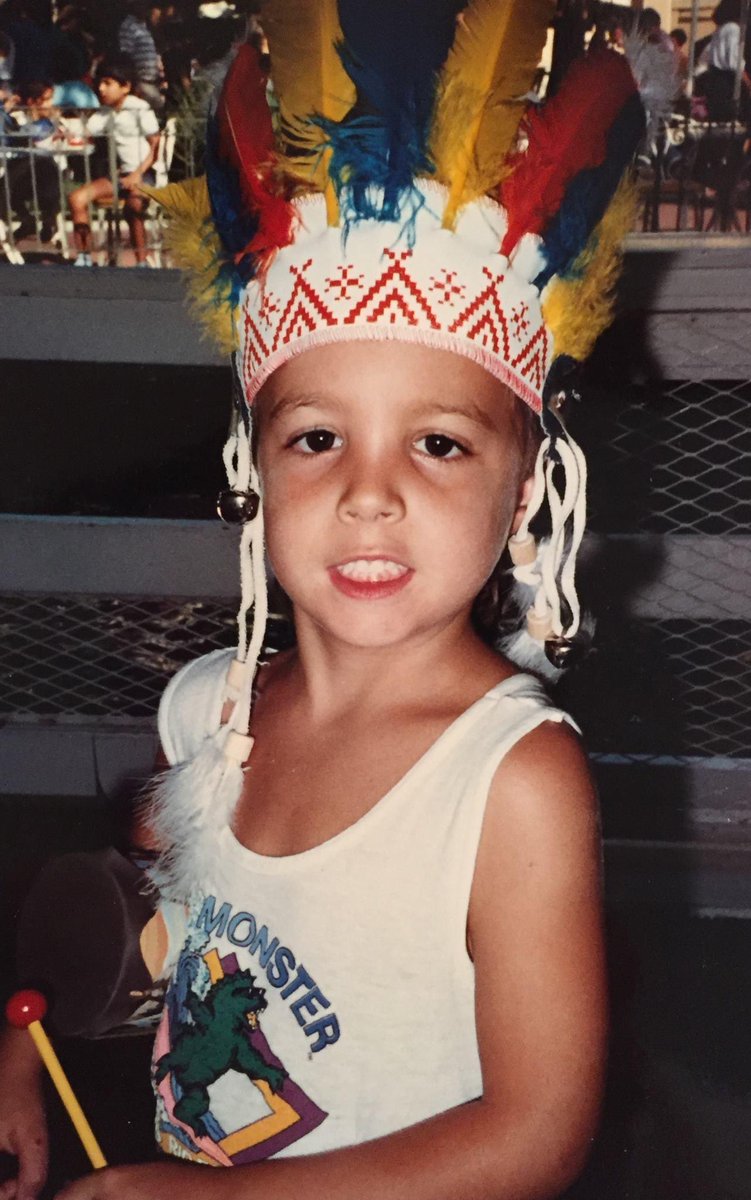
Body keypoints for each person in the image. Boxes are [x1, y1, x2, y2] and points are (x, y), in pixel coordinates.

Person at [0, 9, 671, 1199]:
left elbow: (537, 1133)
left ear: (525, 496)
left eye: (438, 445)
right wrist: (24, 1033)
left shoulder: (509, 782)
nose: (370, 494)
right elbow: (139, 898)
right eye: (317, 438)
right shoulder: (209, 709)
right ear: (251, 473)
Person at [66, 57, 159, 267]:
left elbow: (156, 145)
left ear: (125, 87)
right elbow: (86, 131)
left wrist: (137, 175)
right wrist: (66, 133)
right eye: (100, 83)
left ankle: (141, 261)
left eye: (108, 83)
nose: (101, 88)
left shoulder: (139, 108)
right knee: (76, 198)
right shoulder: (105, 112)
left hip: (144, 174)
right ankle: (84, 256)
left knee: (134, 205)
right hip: (121, 176)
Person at [1, 78, 60, 242]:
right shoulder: (17, 118)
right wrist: (6, 109)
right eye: (46, 100)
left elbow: (34, 135)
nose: (51, 104)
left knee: (43, 166)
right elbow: (11, 136)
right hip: (20, 175)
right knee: (9, 182)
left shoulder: (48, 123)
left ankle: (48, 220)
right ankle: (27, 220)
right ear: (32, 102)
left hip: (44, 176)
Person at [695, 0, 749, 121]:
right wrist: (748, 83)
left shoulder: (720, 30)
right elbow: (734, 62)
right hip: (727, 83)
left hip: (715, 81)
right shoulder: (733, 29)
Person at [117, 0, 165, 115]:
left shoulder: (144, 25)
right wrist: (134, 83)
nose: (144, 7)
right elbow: (126, 56)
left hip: (152, 81)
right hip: (141, 82)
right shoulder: (128, 25)